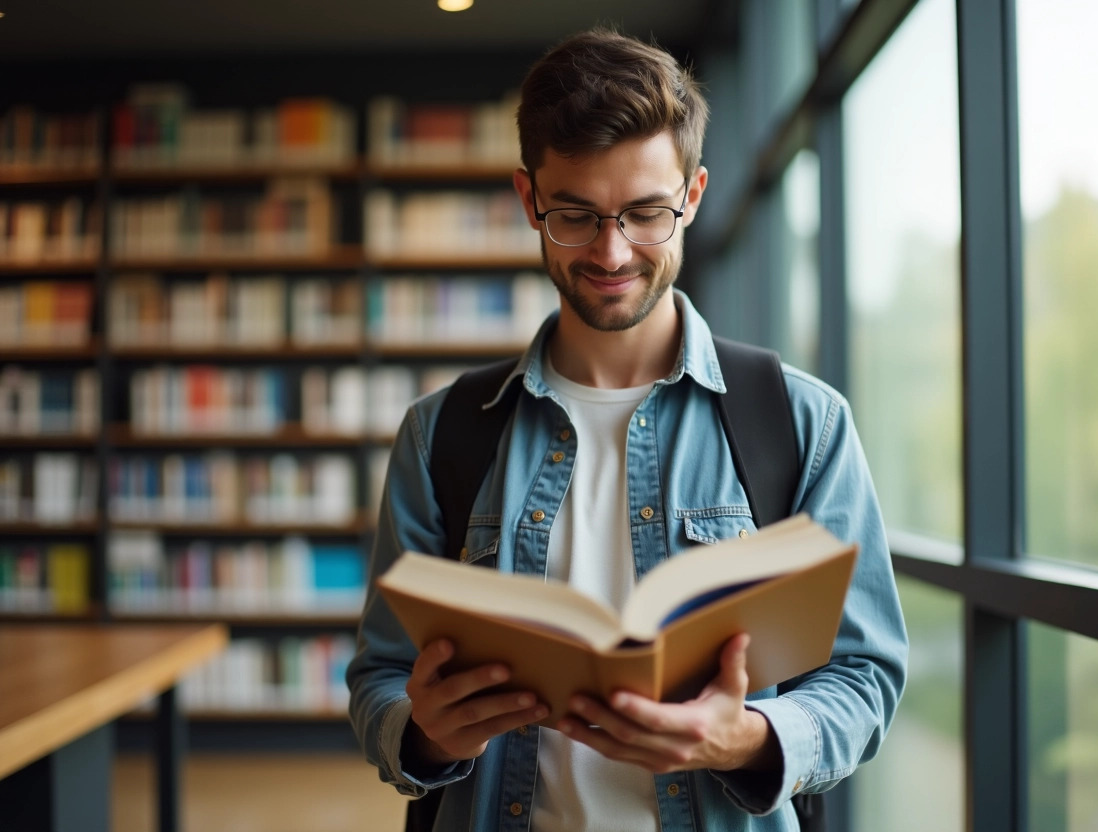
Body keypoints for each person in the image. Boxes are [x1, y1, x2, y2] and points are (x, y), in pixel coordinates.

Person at [347, 27, 908, 832]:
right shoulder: (442, 436)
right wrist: (425, 738)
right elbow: (379, 677)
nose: (612, 252)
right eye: (574, 215)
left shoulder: (802, 422)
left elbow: (865, 676)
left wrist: (745, 737)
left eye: (646, 213)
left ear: (696, 194)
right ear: (528, 198)